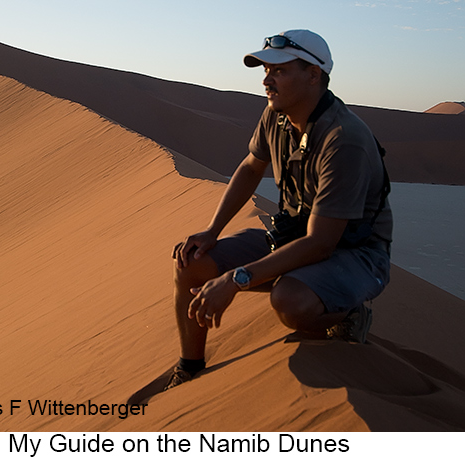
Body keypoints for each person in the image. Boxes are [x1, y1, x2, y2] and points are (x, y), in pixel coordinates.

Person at [166, 29, 393, 390]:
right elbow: (252, 166)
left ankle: (347, 314)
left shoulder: (343, 140)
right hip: (293, 237)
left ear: (313, 74)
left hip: (354, 254)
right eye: (265, 70)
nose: (266, 80)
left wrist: (237, 278)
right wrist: (212, 231)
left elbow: (321, 244)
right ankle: (189, 368)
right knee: (192, 262)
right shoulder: (278, 113)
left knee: (290, 300)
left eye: (279, 71)